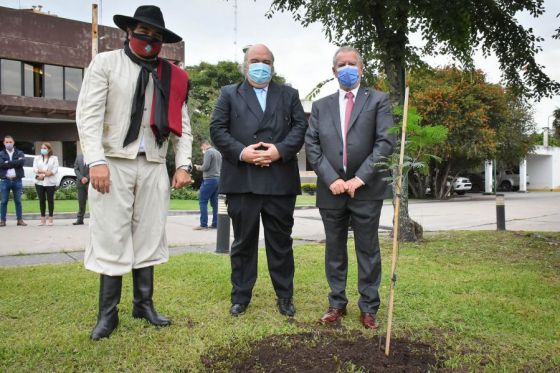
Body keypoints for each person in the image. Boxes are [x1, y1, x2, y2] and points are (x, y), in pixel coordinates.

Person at [76, 5, 193, 341]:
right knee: (111, 234)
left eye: (156, 36)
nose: (149, 39)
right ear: (129, 32)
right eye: (143, 32)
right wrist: (95, 160)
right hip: (113, 160)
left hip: (154, 162)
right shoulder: (106, 64)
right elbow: (88, 116)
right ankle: (107, 315)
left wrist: (183, 164)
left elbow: (182, 125)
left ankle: (144, 304)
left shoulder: (172, 75)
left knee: (150, 233)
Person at [210, 43, 307, 317]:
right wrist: (243, 153)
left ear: (273, 66)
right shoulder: (229, 93)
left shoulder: (289, 94)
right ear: (245, 64)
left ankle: (285, 296)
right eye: (255, 60)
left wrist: (279, 151)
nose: (260, 65)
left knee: (281, 243)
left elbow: (300, 127)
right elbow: (217, 129)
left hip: (280, 180)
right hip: (243, 180)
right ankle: (240, 296)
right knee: (243, 242)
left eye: (266, 61)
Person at [306, 46, 395, 330]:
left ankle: (369, 308)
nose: (347, 68)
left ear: (361, 68)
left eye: (352, 63)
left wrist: (360, 178)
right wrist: (332, 178)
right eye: (341, 64)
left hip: (366, 189)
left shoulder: (379, 101)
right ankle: (336, 304)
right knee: (334, 249)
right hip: (331, 189)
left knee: (368, 250)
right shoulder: (321, 106)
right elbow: (312, 145)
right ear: (334, 72)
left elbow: (385, 143)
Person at [194, 140, 222, 230]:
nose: (202, 149)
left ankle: (203, 224)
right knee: (215, 203)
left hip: (209, 179)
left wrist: (197, 167)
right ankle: (215, 224)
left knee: (202, 201)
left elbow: (205, 167)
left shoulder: (208, 152)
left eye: (201, 147)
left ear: (205, 145)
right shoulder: (218, 153)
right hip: (218, 179)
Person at [0, 135, 27, 227]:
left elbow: (21, 162)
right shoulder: (1, 154)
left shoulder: (19, 152)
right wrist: (15, 163)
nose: (8, 144)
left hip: (17, 180)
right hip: (5, 180)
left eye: (10, 142)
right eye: (6, 142)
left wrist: (7, 162)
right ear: (4, 143)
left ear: (13, 142)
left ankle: (20, 220)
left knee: (18, 201)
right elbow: (1, 165)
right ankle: (2, 220)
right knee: (3, 201)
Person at [33, 142, 58, 226]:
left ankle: (50, 218)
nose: (43, 150)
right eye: (42, 148)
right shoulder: (37, 158)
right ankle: (42, 219)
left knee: (50, 200)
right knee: (41, 200)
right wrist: (45, 172)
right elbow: (35, 169)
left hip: (50, 183)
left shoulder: (54, 158)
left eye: (45, 148)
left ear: (49, 149)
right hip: (39, 182)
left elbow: (54, 171)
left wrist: (43, 174)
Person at [73, 153, 89, 225]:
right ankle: (80, 219)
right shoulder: (79, 156)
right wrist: (81, 178)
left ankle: (95, 220)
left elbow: (94, 168)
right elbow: (76, 169)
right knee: (81, 201)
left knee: (93, 202)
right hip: (80, 182)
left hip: (91, 182)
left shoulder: (93, 155)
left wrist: (87, 178)